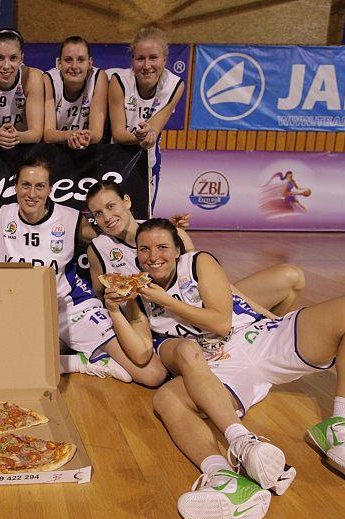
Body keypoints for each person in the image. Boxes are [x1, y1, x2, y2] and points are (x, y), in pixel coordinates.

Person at [124, 218, 345, 519]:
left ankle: (342, 426)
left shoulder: (197, 262)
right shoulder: (135, 292)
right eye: (144, 249)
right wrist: (117, 308)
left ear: (177, 249)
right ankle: (226, 478)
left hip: (258, 336)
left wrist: (166, 300)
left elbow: (222, 323)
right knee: (167, 399)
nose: (153, 256)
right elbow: (145, 350)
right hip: (219, 367)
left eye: (162, 247)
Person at [0, 157, 167, 387]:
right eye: (25, 185)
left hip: (70, 308)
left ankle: (77, 361)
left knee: (153, 374)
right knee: (9, 370)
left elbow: (113, 237)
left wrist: (162, 234)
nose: (32, 194)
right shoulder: (0, 215)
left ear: (50, 189)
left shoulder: (71, 220)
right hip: (19, 312)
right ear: (15, 186)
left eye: (40, 186)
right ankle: (76, 362)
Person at [85, 181, 305, 317]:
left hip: (202, 307)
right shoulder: (99, 250)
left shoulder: (168, 232)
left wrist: (265, 315)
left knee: (292, 277)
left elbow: (210, 279)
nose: (107, 217)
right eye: (98, 214)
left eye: (111, 206)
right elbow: (102, 299)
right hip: (161, 323)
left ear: (127, 201)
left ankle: (260, 332)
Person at [109, 27, 184, 209]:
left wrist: (148, 134)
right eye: (140, 58)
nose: (147, 65)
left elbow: (154, 130)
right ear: (132, 61)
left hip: (147, 160)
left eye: (153, 58)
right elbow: (118, 133)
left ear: (164, 59)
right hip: (114, 157)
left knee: (143, 217)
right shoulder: (119, 81)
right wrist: (140, 136)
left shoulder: (175, 85)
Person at [43, 36, 108, 149]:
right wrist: (71, 136)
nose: (74, 66)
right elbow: (48, 135)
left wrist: (86, 137)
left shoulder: (98, 77)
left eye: (81, 60)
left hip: (87, 148)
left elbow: (97, 133)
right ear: (59, 63)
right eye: (68, 60)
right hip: (55, 149)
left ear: (90, 63)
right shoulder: (48, 80)